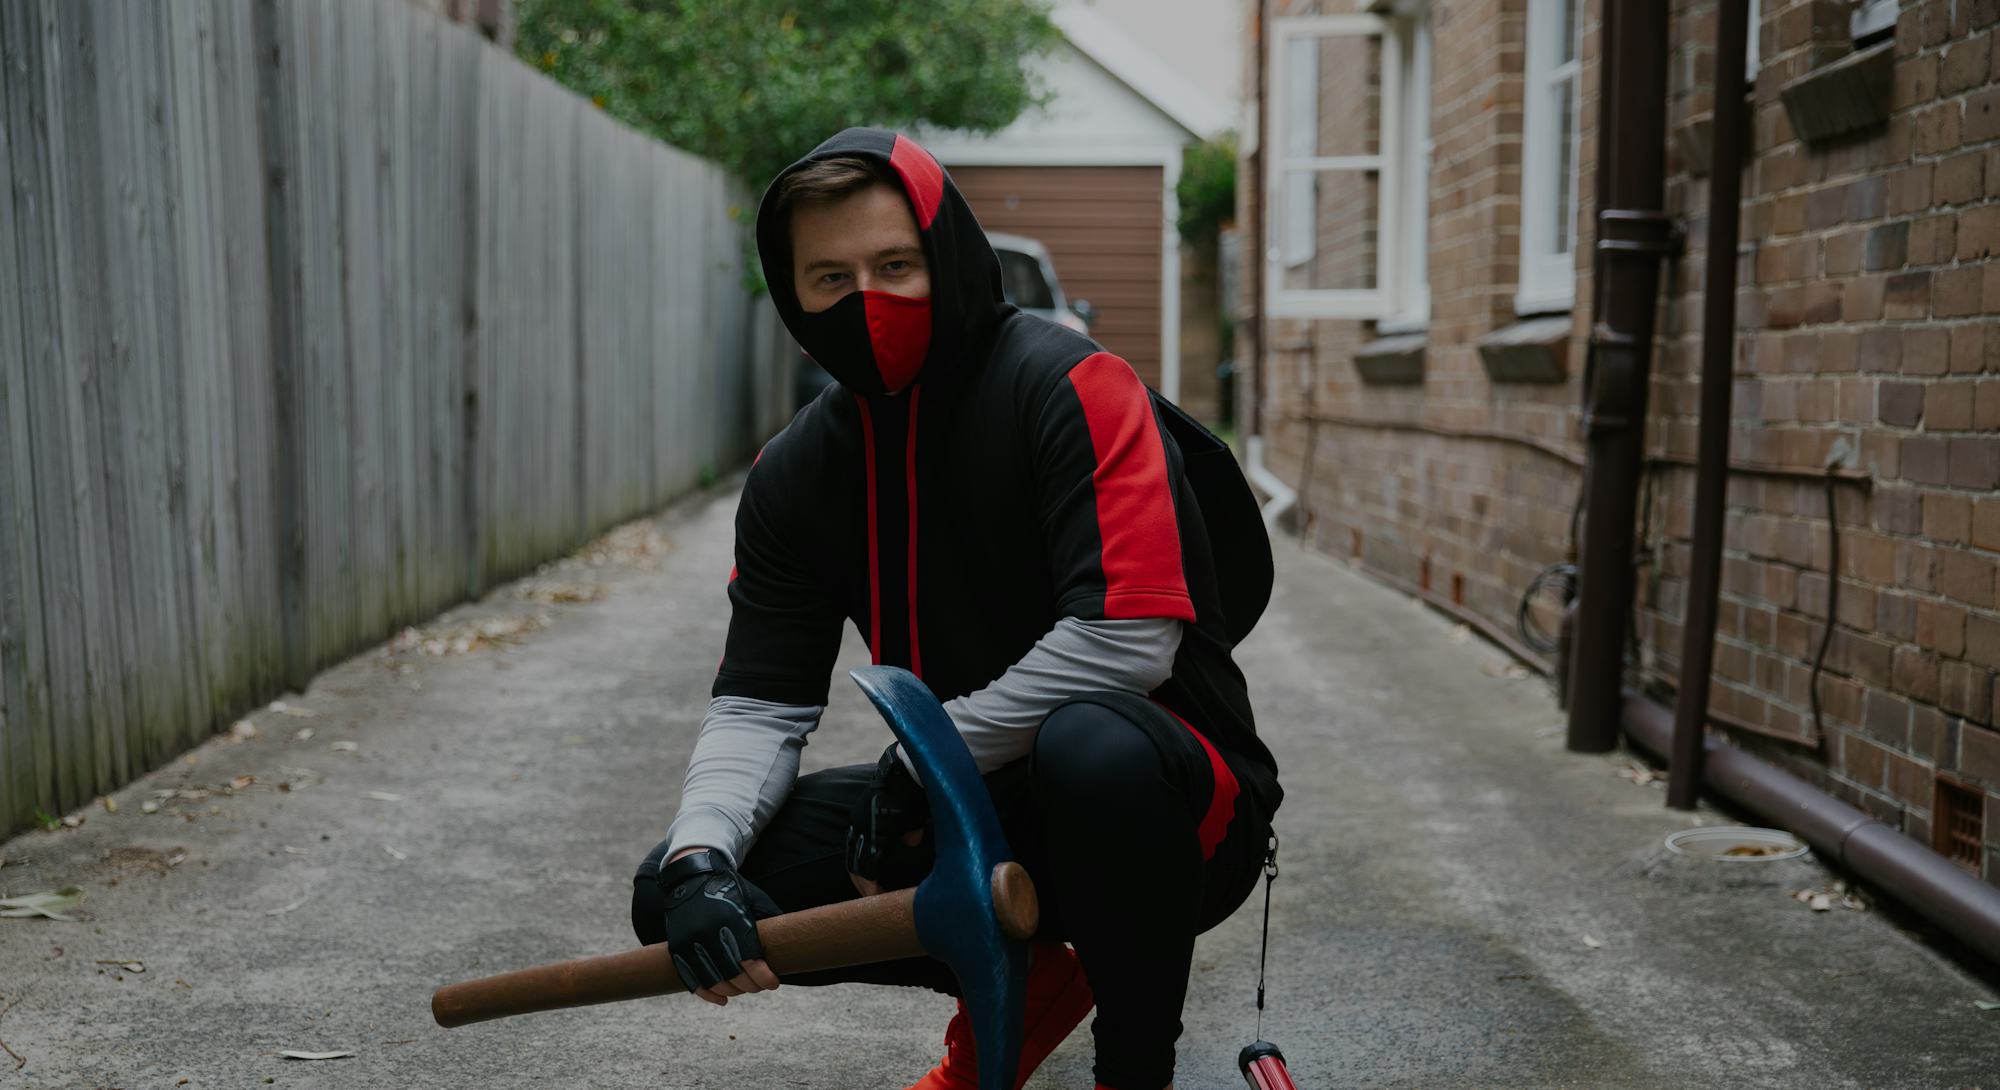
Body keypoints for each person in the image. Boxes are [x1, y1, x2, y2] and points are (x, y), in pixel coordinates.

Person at [631, 128, 1282, 1090]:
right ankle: (1023, 970)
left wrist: (924, 756)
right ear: (792, 295)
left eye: (897, 264)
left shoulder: (1071, 384)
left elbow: (1128, 640)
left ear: (951, 255)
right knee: (671, 894)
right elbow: (762, 704)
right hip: (967, 805)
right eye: (830, 278)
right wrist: (699, 860)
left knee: (1088, 747)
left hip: (1170, 808)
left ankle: (1133, 1067)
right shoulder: (794, 474)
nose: (869, 302)